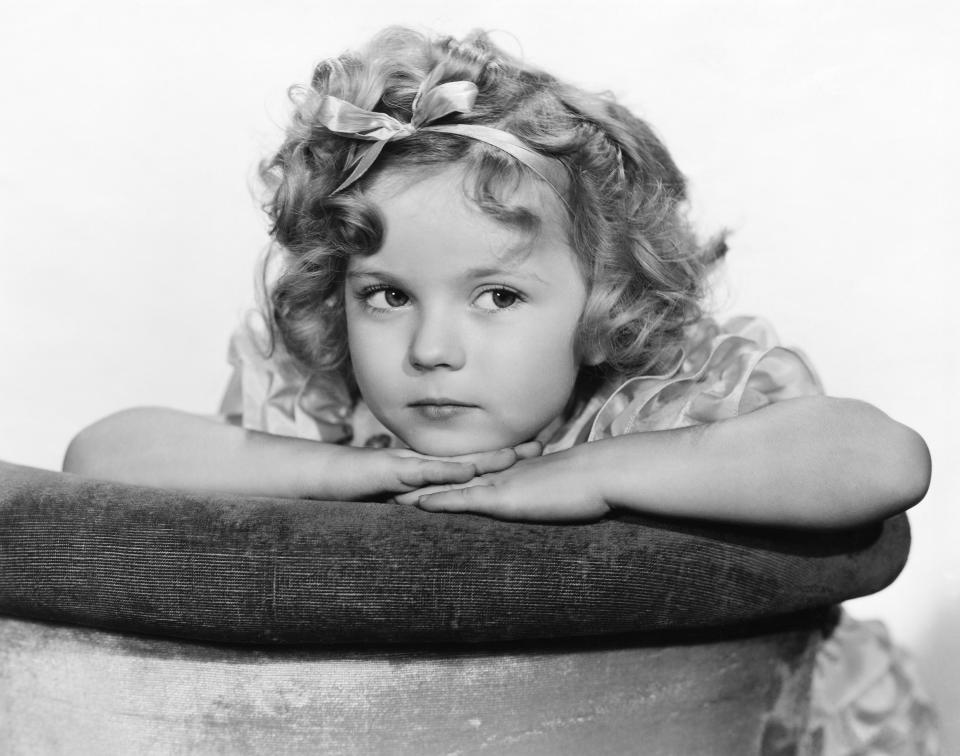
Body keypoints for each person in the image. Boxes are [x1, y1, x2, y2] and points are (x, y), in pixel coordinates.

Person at [63, 27, 937, 753]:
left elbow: (883, 460)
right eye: (388, 295)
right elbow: (100, 455)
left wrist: (602, 474)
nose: (433, 349)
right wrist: (329, 472)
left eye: (499, 296)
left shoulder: (650, 399)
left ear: (602, 294)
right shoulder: (333, 405)